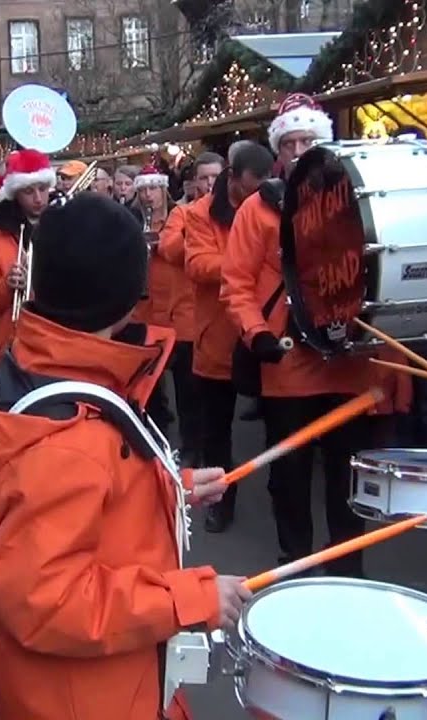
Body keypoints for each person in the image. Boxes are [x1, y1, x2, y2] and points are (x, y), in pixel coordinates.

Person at [0, 193, 250, 720]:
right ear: (127, 295)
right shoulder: (70, 441)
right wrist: (189, 599)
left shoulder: (56, 374)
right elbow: (49, 599)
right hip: (91, 698)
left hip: (103, 685)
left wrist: (167, 484)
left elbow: (92, 493)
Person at [221, 93, 372, 573]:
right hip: (288, 366)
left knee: (348, 482)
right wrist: (256, 333)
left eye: (309, 140)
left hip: (347, 365)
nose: (300, 150)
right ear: (278, 152)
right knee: (289, 475)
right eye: (290, 143)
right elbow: (237, 282)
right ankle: (297, 567)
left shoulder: (356, 200)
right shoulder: (257, 210)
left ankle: (348, 570)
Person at [183, 145, 271, 531]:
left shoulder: (272, 204)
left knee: (278, 426)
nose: (255, 197)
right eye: (249, 188)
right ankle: (221, 501)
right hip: (217, 336)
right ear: (233, 177)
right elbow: (196, 264)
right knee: (216, 434)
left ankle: (283, 500)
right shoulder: (199, 213)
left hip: (265, 331)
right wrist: (244, 259)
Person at [0, 149, 54, 375]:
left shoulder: (65, 228)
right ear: (15, 194)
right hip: (6, 344)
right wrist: (6, 285)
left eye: (43, 189)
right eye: (28, 191)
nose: (38, 198)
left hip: (54, 344)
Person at [130, 164, 198, 456]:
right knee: (152, 388)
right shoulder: (131, 220)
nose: (148, 195)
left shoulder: (180, 218)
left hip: (179, 314)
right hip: (146, 315)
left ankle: (192, 444)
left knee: (188, 389)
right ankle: (157, 443)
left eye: (153, 189)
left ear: (163, 189)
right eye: (143, 189)